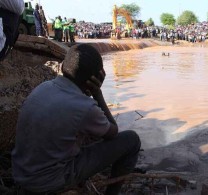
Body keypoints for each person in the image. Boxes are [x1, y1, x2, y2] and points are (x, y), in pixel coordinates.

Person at [12, 44, 141, 195]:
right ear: (97, 78)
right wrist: (97, 94)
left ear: (62, 68)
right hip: (49, 181)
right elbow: (113, 131)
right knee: (132, 140)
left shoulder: (43, 87)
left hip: (20, 174)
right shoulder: (85, 107)